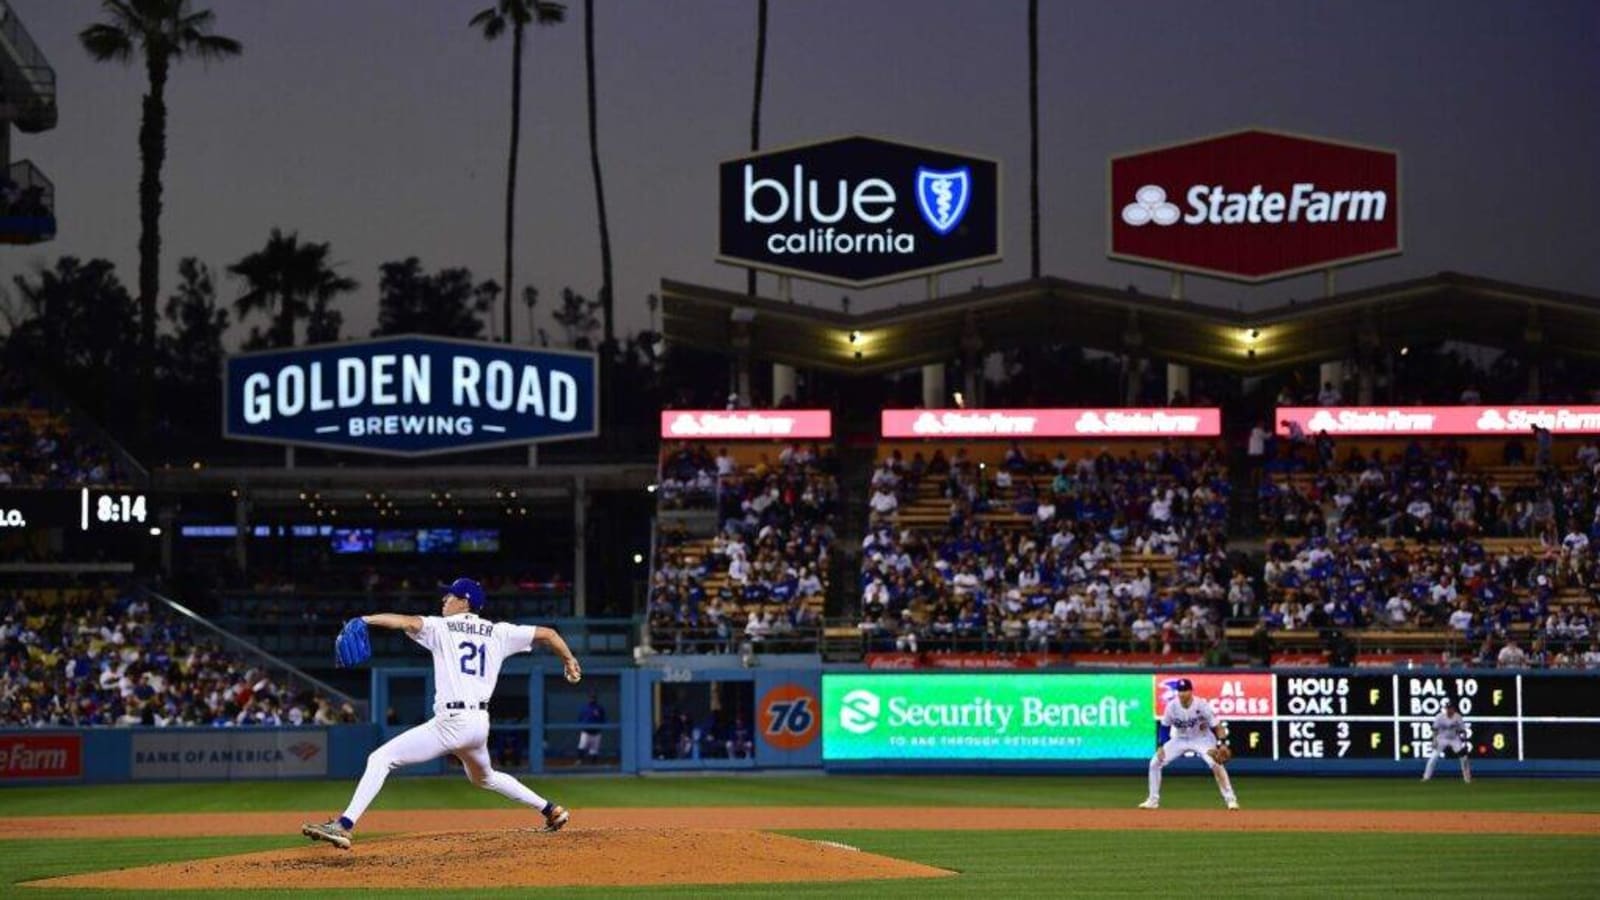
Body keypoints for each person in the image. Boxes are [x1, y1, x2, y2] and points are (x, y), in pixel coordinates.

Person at [301, 578, 582, 850]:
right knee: (484, 777)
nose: (444, 599)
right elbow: (549, 634)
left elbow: (406, 621)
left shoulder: (442, 627)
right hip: (478, 724)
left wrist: (366, 619)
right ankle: (551, 810)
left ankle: (344, 825)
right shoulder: (499, 632)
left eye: (449, 596)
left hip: (451, 723)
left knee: (381, 758)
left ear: (464, 602)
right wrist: (569, 661)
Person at [1139, 678, 1238, 810]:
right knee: (1155, 762)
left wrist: (1223, 744)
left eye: (1184, 690)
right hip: (1179, 739)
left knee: (1216, 763)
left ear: (1191, 691)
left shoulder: (1201, 705)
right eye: (1179, 691)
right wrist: (1161, 746)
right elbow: (1164, 727)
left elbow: (1217, 726)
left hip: (1202, 739)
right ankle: (1152, 800)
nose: (1182, 693)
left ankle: (1230, 800)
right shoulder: (1172, 706)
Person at [1422, 697, 1472, 783]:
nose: (1448, 710)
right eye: (1447, 708)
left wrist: (1464, 742)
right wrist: (1434, 740)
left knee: (1464, 758)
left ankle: (1467, 779)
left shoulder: (1458, 717)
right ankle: (1426, 777)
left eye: (1450, 708)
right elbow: (1434, 729)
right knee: (1433, 757)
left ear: (1453, 709)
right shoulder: (1440, 716)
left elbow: (1463, 730)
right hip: (1442, 739)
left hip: (1454, 739)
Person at [577, 691, 606, 765]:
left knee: (594, 749)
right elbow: (580, 718)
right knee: (582, 746)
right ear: (588, 698)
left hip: (596, 732)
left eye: (593, 698)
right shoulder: (585, 708)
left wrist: (599, 724)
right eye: (591, 698)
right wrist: (582, 726)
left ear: (596, 699)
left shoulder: (599, 708)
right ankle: (580, 760)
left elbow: (603, 719)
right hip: (586, 731)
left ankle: (593, 763)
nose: (592, 699)